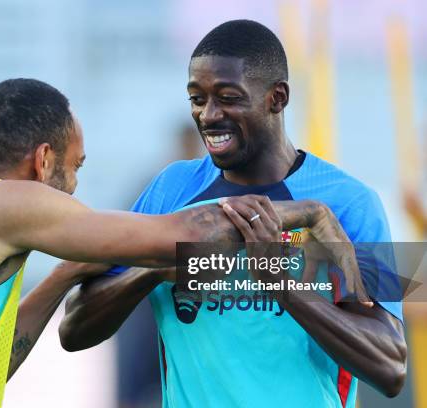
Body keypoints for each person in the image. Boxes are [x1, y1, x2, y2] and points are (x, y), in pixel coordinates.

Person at [0, 78, 351, 407]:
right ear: (42, 160)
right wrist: (304, 209)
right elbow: (184, 238)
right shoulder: (5, 200)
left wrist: (64, 274)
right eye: (74, 170)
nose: (75, 189)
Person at [59, 20, 407, 407]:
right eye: (196, 98)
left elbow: (391, 366)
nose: (208, 115)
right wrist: (164, 265)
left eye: (227, 97)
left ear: (277, 98)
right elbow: (74, 331)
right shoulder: (169, 191)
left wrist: (283, 286)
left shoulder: (352, 203)